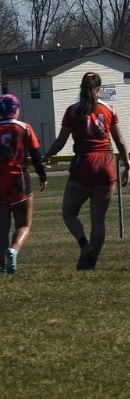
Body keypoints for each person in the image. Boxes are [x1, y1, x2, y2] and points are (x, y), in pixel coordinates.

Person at [45, 71, 130, 270]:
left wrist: (46, 155)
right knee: (98, 220)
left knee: (69, 214)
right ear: (99, 89)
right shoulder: (110, 109)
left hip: (84, 164)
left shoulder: (73, 110)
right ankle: (90, 263)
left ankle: (84, 245)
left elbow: (61, 141)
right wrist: (127, 165)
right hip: (106, 164)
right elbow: (120, 141)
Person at [0, 94, 49, 274]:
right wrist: (42, 176)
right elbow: (36, 155)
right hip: (18, 180)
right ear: (15, 109)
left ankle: (2, 267)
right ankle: (14, 250)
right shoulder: (24, 127)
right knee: (24, 224)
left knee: (2, 227)